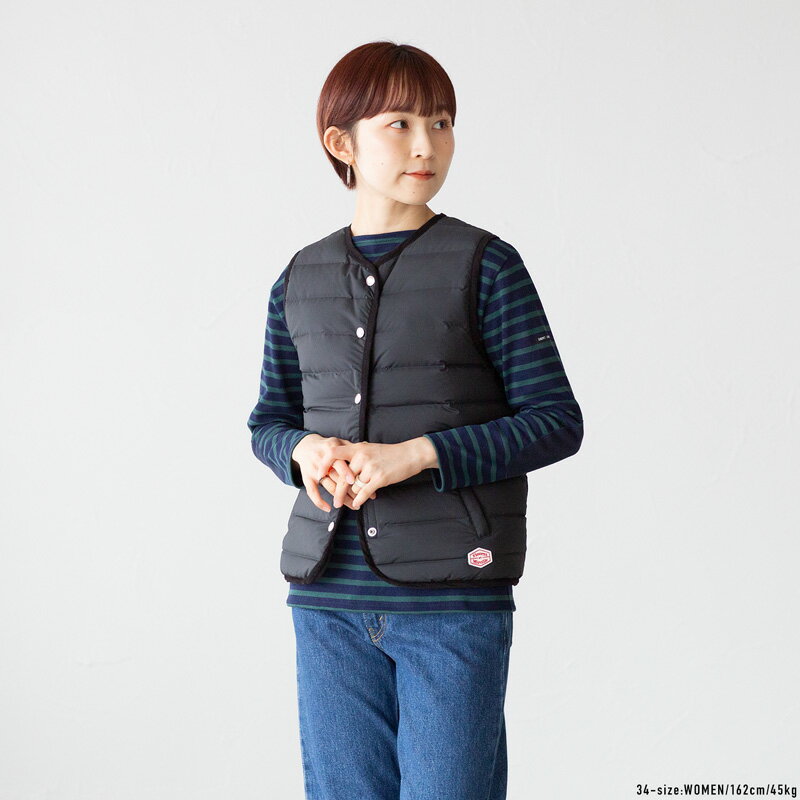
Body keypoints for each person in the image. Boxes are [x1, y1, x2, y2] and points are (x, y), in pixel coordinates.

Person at [247, 40, 584, 800]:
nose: (427, 144)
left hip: (451, 599)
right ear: (342, 143)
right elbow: (268, 421)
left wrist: (419, 453)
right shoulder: (299, 277)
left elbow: (555, 420)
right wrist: (303, 448)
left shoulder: (486, 265)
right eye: (399, 124)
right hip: (327, 598)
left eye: (441, 122)